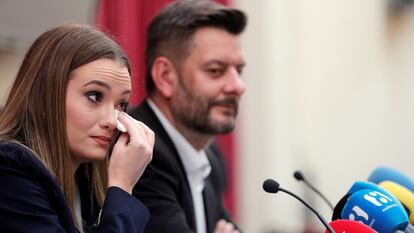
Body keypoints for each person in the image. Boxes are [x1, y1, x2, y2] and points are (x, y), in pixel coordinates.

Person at [0, 23, 154, 233]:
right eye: (94, 96)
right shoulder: (8, 169)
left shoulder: (88, 181)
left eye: (121, 104)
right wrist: (122, 187)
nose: (112, 120)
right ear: (46, 94)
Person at [129, 1, 247, 233]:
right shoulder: (140, 153)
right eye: (215, 70)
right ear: (165, 77)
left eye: (239, 71)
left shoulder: (211, 156)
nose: (238, 86)